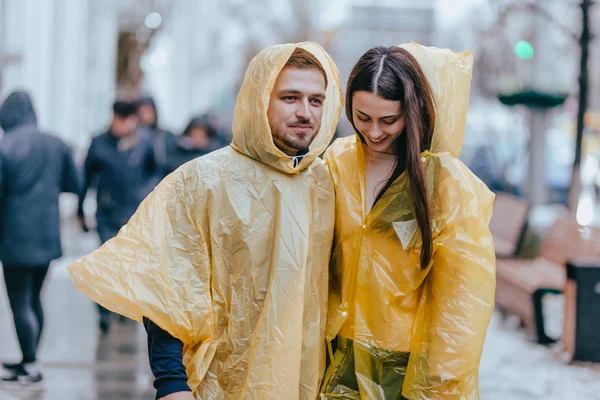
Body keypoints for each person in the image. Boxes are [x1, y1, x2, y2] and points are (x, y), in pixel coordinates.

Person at [68, 42, 343, 399]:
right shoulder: (202, 181)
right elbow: (168, 288)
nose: (305, 112)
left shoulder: (325, 185)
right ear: (260, 99)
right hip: (213, 386)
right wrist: (171, 385)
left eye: (316, 100)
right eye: (290, 97)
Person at [320, 44, 496, 399]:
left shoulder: (444, 181)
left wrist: (440, 376)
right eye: (362, 117)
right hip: (338, 347)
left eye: (389, 120)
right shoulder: (338, 161)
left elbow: (463, 292)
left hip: (406, 359)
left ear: (413, 113)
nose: (373, 132)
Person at [0, 91, 81, 386]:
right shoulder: (56, 144)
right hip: (47, 236)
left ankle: (30, 365)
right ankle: (29, 360)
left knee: (20, 301)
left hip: (13, 239)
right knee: (35, 299)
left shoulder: (5, 147)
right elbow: (76, 183)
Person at [77, 100, 160, 334]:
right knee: (106, 264)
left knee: (129, 265)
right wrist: (81, 211)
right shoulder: (99, 143)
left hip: (135, 214)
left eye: (128, 120)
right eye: (119, 119)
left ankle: (125, 310)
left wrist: (147, 193)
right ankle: (104, 312)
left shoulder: (144, 141)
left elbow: (156, 171)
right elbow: (86, 178)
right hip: (106, 213)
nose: (123, 125)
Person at [137, 95, 176, 176]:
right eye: (142, 112)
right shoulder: (131, 138)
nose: (145, 115)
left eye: (148, 111)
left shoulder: (166, 136)